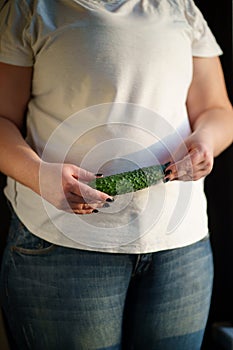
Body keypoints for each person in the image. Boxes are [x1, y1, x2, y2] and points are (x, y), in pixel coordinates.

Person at [0, 0, 233, 349]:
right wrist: (38, 175)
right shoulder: (29, 8)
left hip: (181, 247)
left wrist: (206, 141)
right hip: (64, 245)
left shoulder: (180, 6)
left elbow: (217, 110)